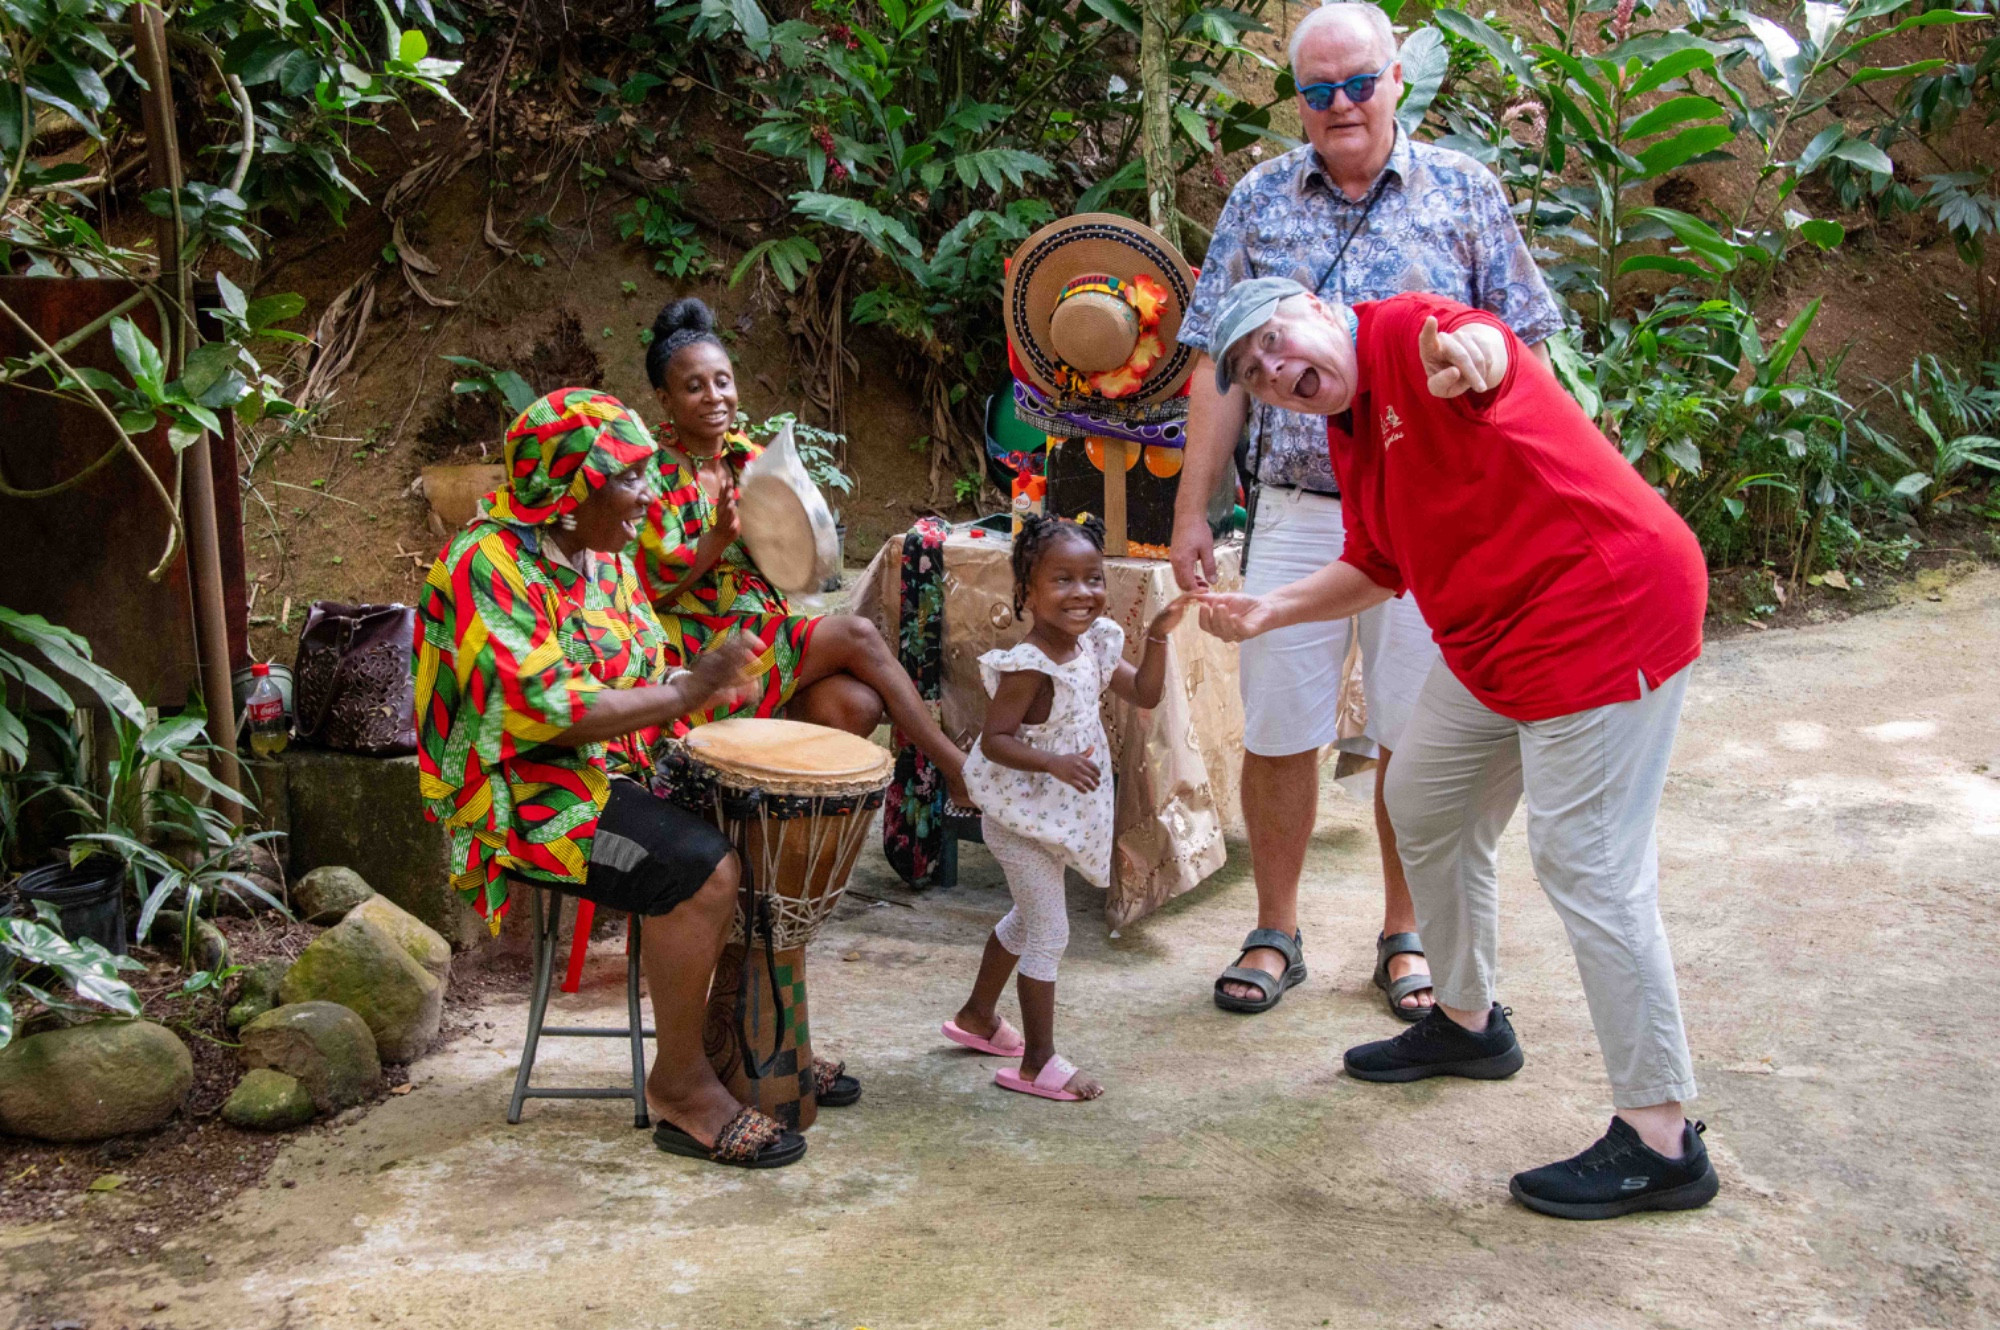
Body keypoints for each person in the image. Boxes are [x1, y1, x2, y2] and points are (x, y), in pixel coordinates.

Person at [1196, 279, 1720, 1220]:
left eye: (1276, 341)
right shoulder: (1351, 436)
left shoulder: (1406, 333)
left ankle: (1661, 1139)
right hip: (1494, 642)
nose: (1276, 371)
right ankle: (1469, 1022)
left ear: (1321, 310)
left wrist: (1477, 359)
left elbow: (1481, 354)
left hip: (1604, 610)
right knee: (1424, 804)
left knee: (1589, 865)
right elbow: (1379, 565)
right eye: (1254, 374)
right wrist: (1271, 608)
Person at [1170, 0, 1565, 1021]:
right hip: (1299, 502)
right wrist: (1191, 513)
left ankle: (1404, 929)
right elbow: (1216, 366)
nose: (1340, 104)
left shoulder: (1464, 190)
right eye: (1317, 90)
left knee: (1413, 729)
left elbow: (1521, 344)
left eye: (1357, 82)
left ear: (1396, 77)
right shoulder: (1259, 199)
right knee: (1276, 723)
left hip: (1434, 516)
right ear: (1296, 100)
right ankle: (1274, 926)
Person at [415, 387, 810, 1169]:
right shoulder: (481, 566)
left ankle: (752, 1044)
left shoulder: (605, 559)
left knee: (766, 822)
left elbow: (635, 666)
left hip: (613, 768)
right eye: (629, 478)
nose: (649, 494)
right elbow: (549, 711)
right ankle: (684, 1084)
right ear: (568, 488)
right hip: (520, 796)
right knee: (700, 870)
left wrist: (703, 687)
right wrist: (684, 691)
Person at [635, 298, 975, 809]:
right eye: (694, 386)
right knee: (858, 633)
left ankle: (784, 846)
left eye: (722, 381)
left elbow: (804, 568)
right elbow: (649, 589)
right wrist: (718, 541)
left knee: (854, 705)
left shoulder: (750, 458)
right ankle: (955, 769)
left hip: (765, 628)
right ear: (664, 399)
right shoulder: (650, 475)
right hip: (699, 643)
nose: (714, 397)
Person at [941, 516, 1187, 1102]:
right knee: (1050, 931)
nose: (1082, 593)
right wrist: (1051, 763)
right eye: (1062, 580)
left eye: (1093, 578)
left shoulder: (1094, 643)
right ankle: (1038, 1062)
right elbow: (996, 740)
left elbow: (1145, 694)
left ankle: (977, 1016)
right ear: (1026, 592)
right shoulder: (1030, 665)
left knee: (1028, 921)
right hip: (1018, 819)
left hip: (1057, 815)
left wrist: (1157, 635)